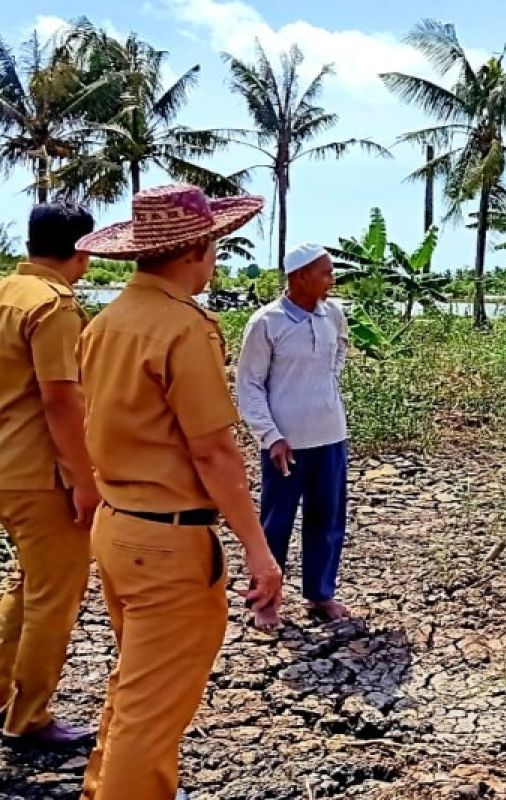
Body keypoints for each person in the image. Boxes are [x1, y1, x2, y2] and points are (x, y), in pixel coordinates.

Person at [75, 184, 284, 800]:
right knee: (154, 703)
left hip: (118, 526)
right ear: (198, 246)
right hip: (169, 540)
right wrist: (258, 547)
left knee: (135, 684)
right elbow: (212, 450)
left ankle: (103, 786)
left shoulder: (106, 321)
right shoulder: (183, 328)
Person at [0, 203, 97, 748]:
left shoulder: (7, 293)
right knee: (54, 596)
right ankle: (28, 716)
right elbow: (61, 398)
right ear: (81, 248)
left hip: (5, 467)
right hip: (39, 474)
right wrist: (84, 480)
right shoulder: (54, 305)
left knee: (28, 584)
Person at [236, 243, 350, 631]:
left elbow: (339, 355)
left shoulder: (332, 314)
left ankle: (320, 593)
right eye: (325, 272)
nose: (331, 279)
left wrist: (324, 393)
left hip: (331, 435)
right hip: (285, 444)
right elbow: (248, 384)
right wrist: (270, 435)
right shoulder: (267, 323)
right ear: (299, 277)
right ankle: (265, 601)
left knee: (327, 519)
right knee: (275, 524)